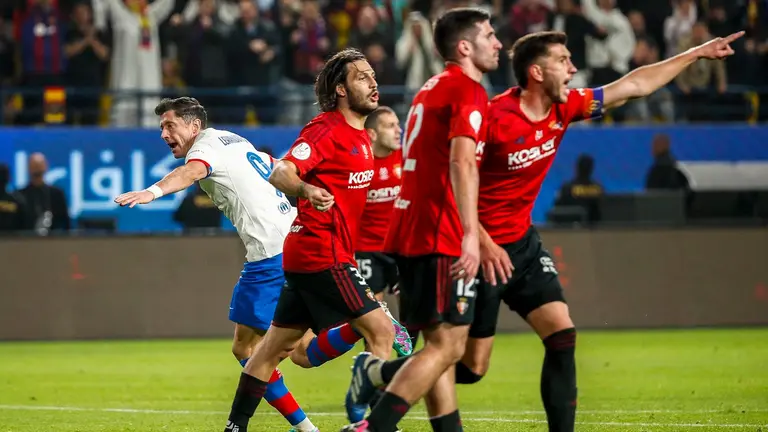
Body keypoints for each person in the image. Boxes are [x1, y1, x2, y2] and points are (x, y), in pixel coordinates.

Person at [453, 29, 743, 432]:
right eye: (563, 61)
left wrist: (695, 54)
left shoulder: (567, 106)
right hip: (481, 248)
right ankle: (386, 377)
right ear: (536, 72)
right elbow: (454, 183)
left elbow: (635, 84)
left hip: (521, 244)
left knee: (562, 334)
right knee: (472, 367)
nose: (573, 69)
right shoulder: (494, 118)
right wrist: (481, 241)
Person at [220, 48, 411, 432]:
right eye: (362, 77)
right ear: (340, 89)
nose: (373, 82)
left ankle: (234, 427)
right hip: (321, 253)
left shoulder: (363, 139)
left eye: (373, 75)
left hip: (315, 254)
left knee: (275, 353)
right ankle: (375, 425)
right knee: (383, 332)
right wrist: (306, 189)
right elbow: (281, 171)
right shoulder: (325, 129)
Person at [113, 96, 319, 432]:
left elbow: (190, 173)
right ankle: (359, 323)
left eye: (169, 125)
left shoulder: (204, 148)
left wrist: (152, 192)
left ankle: (361, 322)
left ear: (194, 126)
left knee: (262, 349)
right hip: (295, 238)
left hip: (269, 254)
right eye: (161, 126)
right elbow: (273, 166)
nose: (163, 133)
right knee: (277, 347)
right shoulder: (234, 139)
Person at [341, 8, 502, 432]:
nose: (498, 43)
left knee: (441, 348)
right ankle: (373, 407)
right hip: (438, 233)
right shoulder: (467, 90)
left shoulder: (431, 87)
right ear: (465, 46)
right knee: (448, 347)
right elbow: (462, 163)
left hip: (412, 234)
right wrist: (472, 235)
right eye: (489, 35)